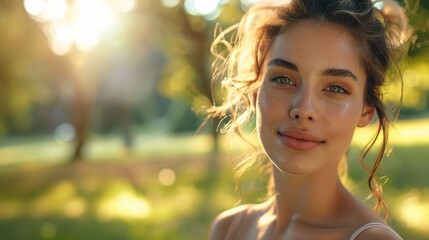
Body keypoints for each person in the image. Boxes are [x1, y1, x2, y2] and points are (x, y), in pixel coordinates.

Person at [207, 0, 412, 239]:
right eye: (284, 79)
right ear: (255, 92)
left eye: (335, 88)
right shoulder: (229, 230)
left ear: (366, 110)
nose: (303, 109)